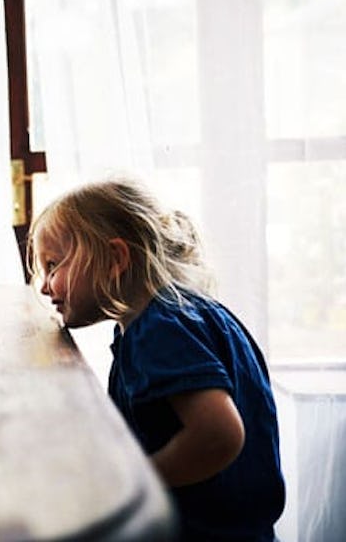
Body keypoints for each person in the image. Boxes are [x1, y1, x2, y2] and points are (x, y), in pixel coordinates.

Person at [28, 178, 285, 541]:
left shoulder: (159, 330)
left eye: (53, 265)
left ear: (116, 259)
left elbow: (219, 435)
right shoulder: (192, 313)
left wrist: (133, 481)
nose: (44, 285)